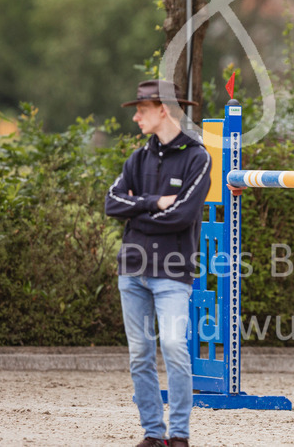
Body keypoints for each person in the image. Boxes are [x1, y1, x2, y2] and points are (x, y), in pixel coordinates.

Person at [105, 80, 211, 447]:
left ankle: (178, 435)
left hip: (173, 273)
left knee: (175, 348)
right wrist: (155, 202)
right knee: (140, 355)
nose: (135, 117)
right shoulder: (137, 158)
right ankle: (153, 434)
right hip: (131, 271)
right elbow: (111, 203)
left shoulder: (198, 157)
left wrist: (138, 210)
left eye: (141, 110)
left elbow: (182, 216)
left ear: (163, 109)